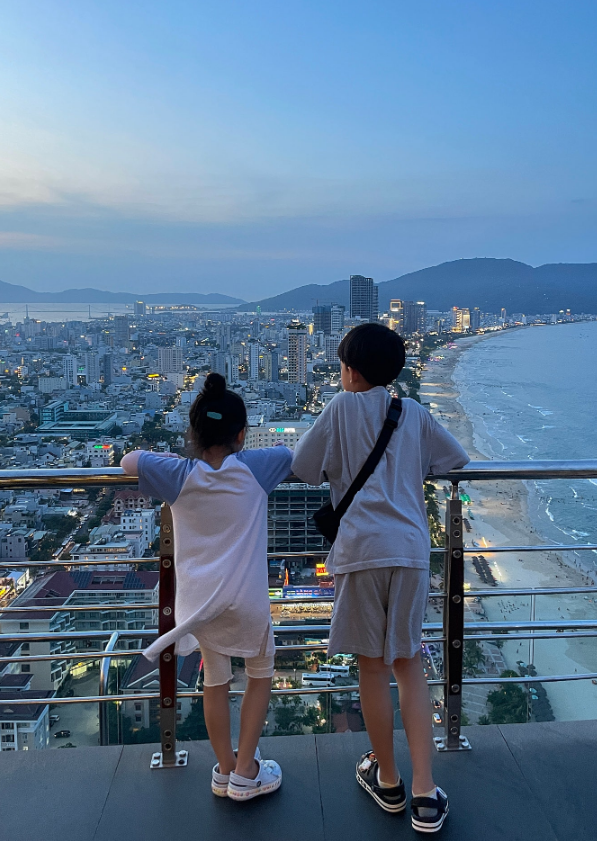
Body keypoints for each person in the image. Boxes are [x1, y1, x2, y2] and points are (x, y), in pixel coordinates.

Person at [292, 324, 468, 833]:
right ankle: (425, 793)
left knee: (373, 667)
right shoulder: (412, 413)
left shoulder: (340, 409)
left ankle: (387, 778)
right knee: (409, 663)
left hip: (361, 550)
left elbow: (304, 468)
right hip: (410, 550)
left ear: (348, 370)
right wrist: (408, 470)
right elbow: (455, 458)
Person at [121, 373, 292, 802]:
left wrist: (171, 457)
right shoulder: (256, 468)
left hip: (200, 605)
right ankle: (248, 770)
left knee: (214, 679)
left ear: (193, 435)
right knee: (260, 674)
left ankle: (224, 769)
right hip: (247, 600)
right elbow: (293, 455)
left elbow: (128, 461)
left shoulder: (178, 475)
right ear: (241, 434)